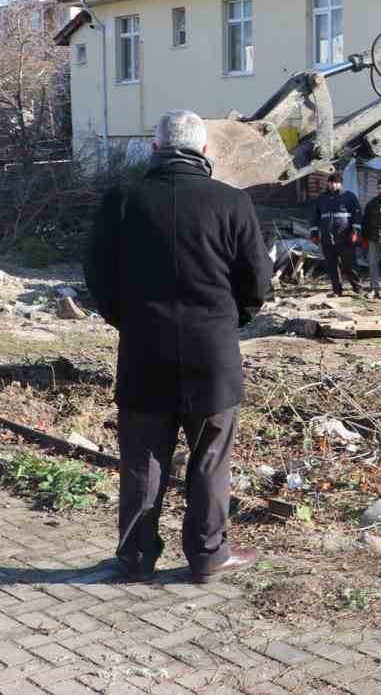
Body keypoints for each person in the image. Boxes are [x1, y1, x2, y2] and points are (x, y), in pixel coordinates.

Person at [85, 110, 271, 584]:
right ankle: (208, 555)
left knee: (142, 460)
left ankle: (136, 558)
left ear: (154, 149)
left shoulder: (123, 201)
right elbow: (257, 282)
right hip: (213, 353)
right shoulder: (232, 203)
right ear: (204, 151)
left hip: (145, 351)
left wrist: (128, 320)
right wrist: (232, 320)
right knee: (210, 459)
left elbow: (98, 277)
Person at [310, 172, 362, 297]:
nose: (333, 185)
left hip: (345, 238)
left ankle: (358, 289)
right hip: (327, 239)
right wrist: (314, 233)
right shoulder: (321, 198)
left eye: (336, 183)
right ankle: (337, 291)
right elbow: (315, 217)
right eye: (331, 183)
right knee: (332, 266)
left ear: (340, 184)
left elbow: (357, 216)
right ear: (328, 183)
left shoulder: (349, 197)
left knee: (349, 265)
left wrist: (355, 232)